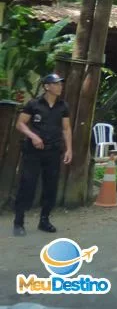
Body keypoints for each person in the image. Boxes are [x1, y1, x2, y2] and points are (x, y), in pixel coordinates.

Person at [12, 73, 73, 237]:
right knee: (27, 185)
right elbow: (20, 123)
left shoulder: (63, 106)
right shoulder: (33, 104)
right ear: (47, 86)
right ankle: (18, 222)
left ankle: (44, 220)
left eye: (61, 84)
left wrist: (69, 149)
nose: (60, 86)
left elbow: (66, 128)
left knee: (51, 186)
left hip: (53, 151)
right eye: (56, 84)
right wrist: (33, 136)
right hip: (33, 152)